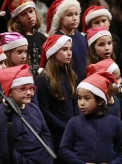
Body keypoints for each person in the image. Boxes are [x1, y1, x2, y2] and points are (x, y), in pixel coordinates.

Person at [59, 71, 122, 164]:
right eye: (79, 98)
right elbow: (64, 149)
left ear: (100, 101)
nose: (81, 103)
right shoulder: (74, 122)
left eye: (87, 98)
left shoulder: (115, 122)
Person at [0, 64, 54, 164]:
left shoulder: (34, 108)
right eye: (23, 89)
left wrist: (47, 158)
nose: (29, 93)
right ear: (9, 91)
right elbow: (7, 153)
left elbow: (46, 135)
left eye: (31, 88)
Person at [36, 35, 80, 164]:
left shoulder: (69, 74)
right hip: (56, 133)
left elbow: (73, 100)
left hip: (71, 129)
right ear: (54, 52)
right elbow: (44, 110)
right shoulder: (44, 78)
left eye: (70, 49)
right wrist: (64, 127)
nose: (69, 53)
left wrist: (76, 122)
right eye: (64, 49)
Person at [0, 0, 47, 79]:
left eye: (31, 11)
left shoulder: (41, 37)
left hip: (40, 81)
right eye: (23, 14)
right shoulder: (15, 40)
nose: (29, 16)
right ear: (17, 18)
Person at [46, 0, 88, 84]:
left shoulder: (81, 37)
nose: (74, 18)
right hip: (66, 83)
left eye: (76, 14)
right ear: (60, 19)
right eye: (69, 15)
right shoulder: (56, 39)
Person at [0, 31, 39, 105]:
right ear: (7, 53)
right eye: (19, 52)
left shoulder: (26, 72)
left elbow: (34, 101)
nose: (24, 56)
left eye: (25, 51)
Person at [82, 5, 122, 76]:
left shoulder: (116, 39)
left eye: (103, 21)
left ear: (109, 22)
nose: (101, 25)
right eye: (96, 22)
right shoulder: (84, 42)